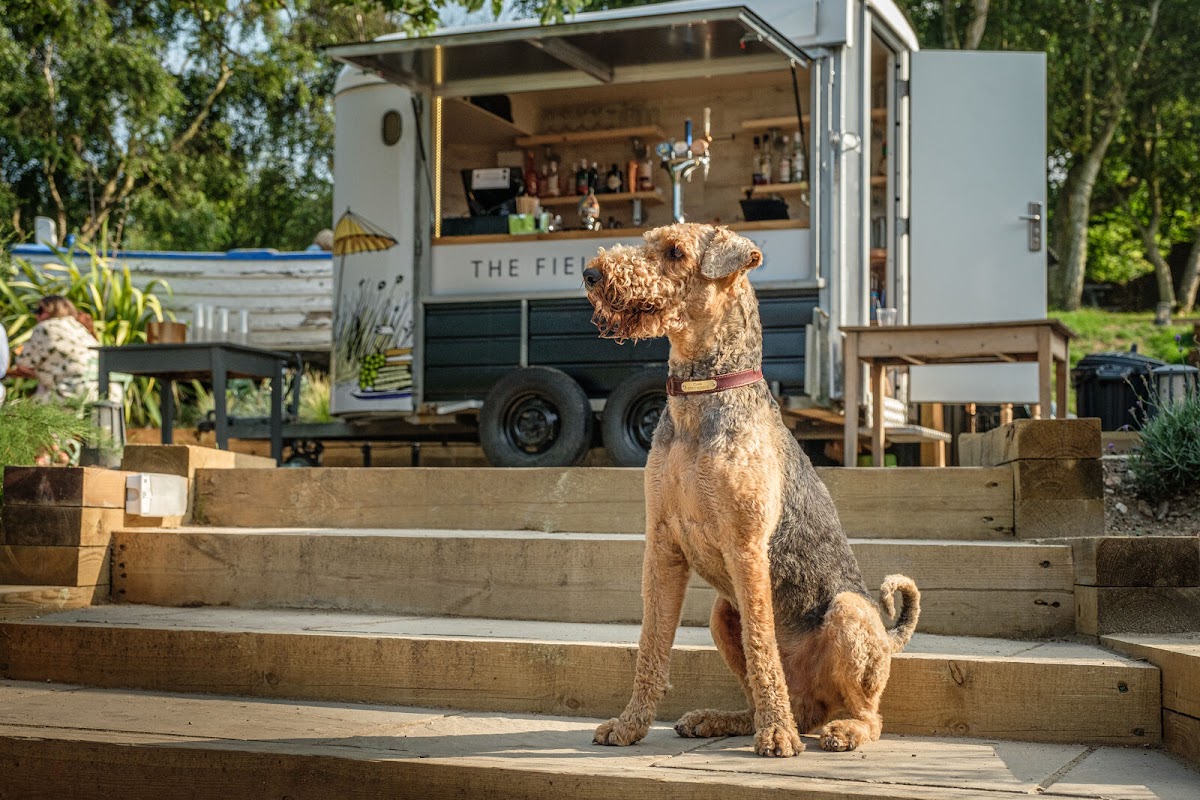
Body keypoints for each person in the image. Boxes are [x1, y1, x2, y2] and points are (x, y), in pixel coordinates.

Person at [8, 295, 107, 405]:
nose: (36, 315)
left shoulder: (45, 327)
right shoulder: (78, 327)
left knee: (16, 412)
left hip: (73, 390)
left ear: (51, 310)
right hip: (105, 389)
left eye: (39, 310)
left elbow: (23, 365)